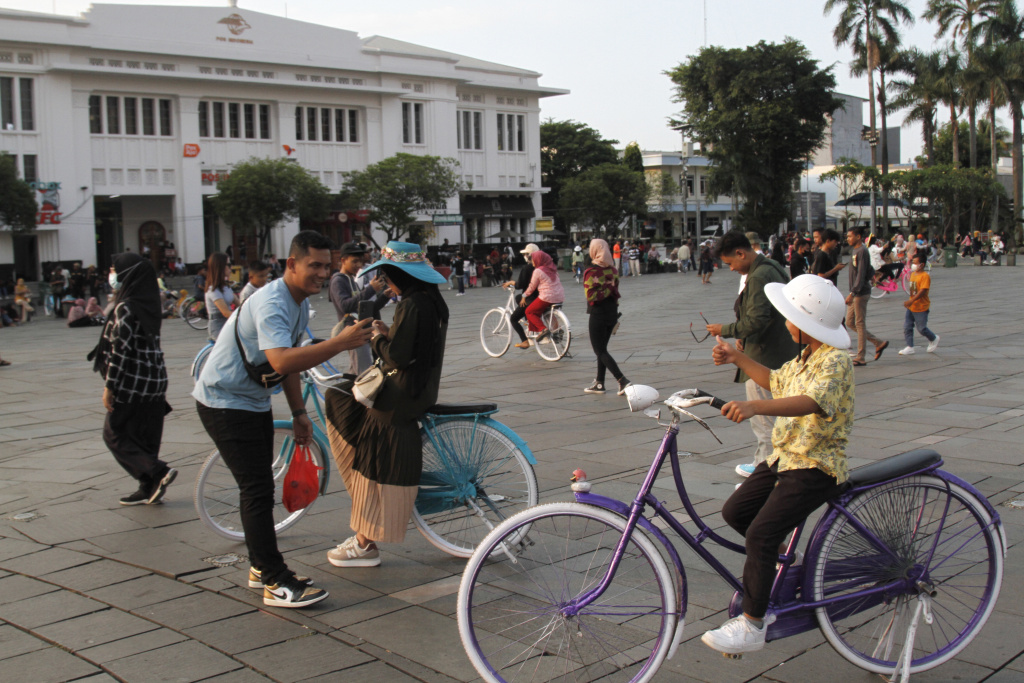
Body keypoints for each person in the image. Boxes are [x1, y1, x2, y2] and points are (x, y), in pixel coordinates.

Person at [193, 230, 374, 608]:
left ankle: (261, 567)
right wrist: (340, 343)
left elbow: (293, 363)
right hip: (223, 400)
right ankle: (275, 579)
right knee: (256, 489)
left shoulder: (297, 302)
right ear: (291, 264)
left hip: (250, 400)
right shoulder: (273, 301)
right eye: (315, 265)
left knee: (259, 488)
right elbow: (280, 360)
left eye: (327, 265)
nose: (323, 273)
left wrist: (297, 412)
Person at [701, 273, 853, 655]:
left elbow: (810, 402)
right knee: (736, 511)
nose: (786, 323)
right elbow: (776, 380)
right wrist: (737, 357)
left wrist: (754, 406)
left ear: (806, 324)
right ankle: (781, 562)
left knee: (760, 535)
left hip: (816, 464)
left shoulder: (835, 362)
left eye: (790, 317)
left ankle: (753, 623)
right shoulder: (805, 356)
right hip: (785, 456)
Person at [323, 241, 449, 568]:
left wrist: (378, 336)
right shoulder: (428, 300)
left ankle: (365, 542)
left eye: (389, 277)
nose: (388, 285)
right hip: (417, 385)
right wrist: (388, 334)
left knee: (349, 411)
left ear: (400, 275)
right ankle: (365, 522)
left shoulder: (413, 305)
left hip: (402, 391)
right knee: (342, 395)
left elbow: (396, 358)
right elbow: (411, 349)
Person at [706, 231, 799, 479]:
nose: (732, 269)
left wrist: (723, 330)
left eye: (730, 263)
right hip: (779, 351)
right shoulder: (773, 266)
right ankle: (771, 464)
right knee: (776, 419)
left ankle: (764, 471)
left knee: (764, 420)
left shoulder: (758, 276)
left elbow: (757, 320)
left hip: (764, 357)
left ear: (741, 253)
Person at [88, 253, 177, 506]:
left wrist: (110, 386)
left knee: (113, 433)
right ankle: (148, 486)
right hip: (155, 381)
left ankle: (158, 471)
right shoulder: (148, 304)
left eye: (115, 270)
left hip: (133, 382)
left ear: (128, 275)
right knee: (145, 436)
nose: (112, 275)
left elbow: (121, 350)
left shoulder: (125, 307)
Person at [328, 242, 393, 375]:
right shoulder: (338, 280)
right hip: (351, 331)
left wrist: (384, 296)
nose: (358, 266)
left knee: (357, 371)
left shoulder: (351, 280)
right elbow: (345, 306)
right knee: (364, 372)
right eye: (354, 261)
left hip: (361, 329)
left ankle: (348, 394)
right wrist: (370, 289)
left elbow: (365, 308)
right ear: (343, 260)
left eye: (360, 262)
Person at [582, 239, 631, 396]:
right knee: (602, 349)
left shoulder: (591, 272)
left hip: (598, 313)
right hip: (612, 313)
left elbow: (591, 296)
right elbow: (614, 291)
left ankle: (622, 379)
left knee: (600, 350)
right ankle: (599, 383)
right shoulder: (613, 270)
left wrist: (601, 292)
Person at [844, 227, 888, 366]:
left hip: (860, 293)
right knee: (850, 322)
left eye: (850, 236)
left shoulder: (862, 251)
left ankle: (861, 356)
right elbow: (868, 270)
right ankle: (878, 343)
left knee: (859, 323)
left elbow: (861, 273)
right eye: (847, 236)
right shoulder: (856, 250)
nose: (848, 239)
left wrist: (853, 293)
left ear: (858, 236)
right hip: (856, 291)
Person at [899, 252, 940, 355]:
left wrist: (911, 300)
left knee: (922, 329)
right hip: (912, 307)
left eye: (915, 263)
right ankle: (910, 346)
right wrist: (910, 301)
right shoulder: (913, 274)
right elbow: (913, 290)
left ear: (922, 264)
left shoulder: (925, 276)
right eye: (913, 262)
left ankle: (933, 338)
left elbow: (922, 291)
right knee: (907, 326)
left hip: (921, 307)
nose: (913, 265)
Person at [523, 249, 565, 341]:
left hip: (547, 297)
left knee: (529, 311)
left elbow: (531, 287)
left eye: (533, 260)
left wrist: (524, 296)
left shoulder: (538, 271)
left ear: (539, 259)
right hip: (559, 296)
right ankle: (557, 329)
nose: (532, 262)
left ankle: (543, 329)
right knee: (546, 311)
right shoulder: (553, 269)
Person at [503, 243, 538, 349]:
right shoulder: (541, 267)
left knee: (513, 318)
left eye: (526, 254)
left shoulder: (527, 268)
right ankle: (528, 321)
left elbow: (520, 285)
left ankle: (524, 340)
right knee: (518, 298)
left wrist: (511, 282)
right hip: (540, 296)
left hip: (530, 298)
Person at [204, 253, 237, 342]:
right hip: (218, 326)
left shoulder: (226, 286)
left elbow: (240, 304)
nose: (231, 268)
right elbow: (226, 313)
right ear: (221, 267)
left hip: (228, 323)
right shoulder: (213, 290)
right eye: (229, 265)